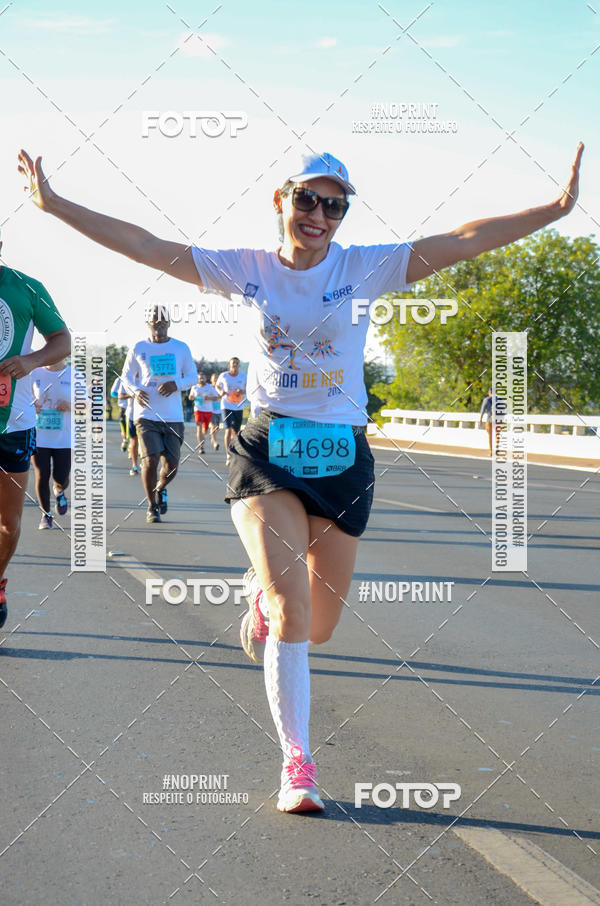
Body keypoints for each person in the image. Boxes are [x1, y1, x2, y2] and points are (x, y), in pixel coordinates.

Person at [18, 142, 583, 811]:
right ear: (281, 200)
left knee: (318, 627)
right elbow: (146, 245)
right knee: (293, 612)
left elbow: (463, 239)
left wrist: (555, 208)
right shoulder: (246, 268)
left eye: (334, 206)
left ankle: (261, 601)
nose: (319, 215)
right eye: (308, 199)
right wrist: (55, 205)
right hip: (268, 448)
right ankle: (298, 765)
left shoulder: (365, 267)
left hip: (342, 455)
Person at [0, 220, 70, 627]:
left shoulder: (26, 287)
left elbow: (62, 340)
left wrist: (30, 361)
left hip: (14, 422)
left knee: (7, 523)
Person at [120, 306, 196, 523]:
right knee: (150, 460)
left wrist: (176, 384)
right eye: (155, 320)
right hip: (146, 415)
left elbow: (192, 376)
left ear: (169, 323)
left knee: (172, 465)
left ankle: (161, 487)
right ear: (148, 323)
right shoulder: (139, 347)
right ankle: (152, 506)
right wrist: (135, 391)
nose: (159, 323)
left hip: (173, 416)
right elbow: (126, 377)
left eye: (163, 320)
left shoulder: (181, 348)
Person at [31, 359, 72, 529]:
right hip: (39, 435)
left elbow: (87, 404)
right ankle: (46, 515)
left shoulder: (74, 374)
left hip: (63, 437)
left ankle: (59, 491)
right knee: (42, 474)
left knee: (61, 477)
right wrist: (32, 405)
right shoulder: (34, 373)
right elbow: (23, 397)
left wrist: (69, 405)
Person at [216, 357, 247, 466]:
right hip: (226, 406)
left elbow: (248, 389)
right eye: (233, 363)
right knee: (228, 430)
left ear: (239, 366)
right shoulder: (223, 375)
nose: (235, 365)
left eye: (237, 363)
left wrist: (242, 391)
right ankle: (228, 455)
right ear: (229, 365)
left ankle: (234, 450)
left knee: (236, 432)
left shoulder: (243, 376)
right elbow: (217, 386)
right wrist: (220, 391)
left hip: (238, 407)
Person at [188, 371, 218, 454]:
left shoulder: (210, 387)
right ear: (197, 379)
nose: (201, 379)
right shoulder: (194, 387)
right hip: (198, 410)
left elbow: (216, 398)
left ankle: (203, 436)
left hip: (208, 411)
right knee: (199, 428)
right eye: (200, 378)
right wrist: (191, 397)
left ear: (205, 379)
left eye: (203, 378)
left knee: (205, 430)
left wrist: (208, 398)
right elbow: (190, 397)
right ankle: (201, 447)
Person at [118, 379, 139, 475]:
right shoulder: (126, 379)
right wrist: (132, 395)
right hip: (131, 415)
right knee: (134, 441)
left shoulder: (149, 377)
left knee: (145, 441)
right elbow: (119, 395)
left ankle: (146, 463)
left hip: (147, 415)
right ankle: (135, 466)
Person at [478, 388, 502, 456]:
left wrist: (480, 420)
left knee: (490, 436)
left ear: (489, 392)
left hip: (489, 419)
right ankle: (497, 449)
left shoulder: (486, 399)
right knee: (497, 435)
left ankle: (491, 451)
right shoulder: (500, 399)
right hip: (498, 419)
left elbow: (482, 410)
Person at [110, 375, 129, 451]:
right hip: (124, 407)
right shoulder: (119, 379)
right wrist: (123, 395)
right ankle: (125, 440)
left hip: (137, 408)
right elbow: (113, 393)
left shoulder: (142, 376)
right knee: (124, 426)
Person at [209, 373, 221, 451]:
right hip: (211, 410)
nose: (216, 380)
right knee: (213, 426)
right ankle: (215, 443)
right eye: (214, 378)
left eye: (217, 378)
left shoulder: (220, 387)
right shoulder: (209, 387)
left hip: (219, 410)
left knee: (217, 428)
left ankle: (212, 438)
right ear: (211, 380)